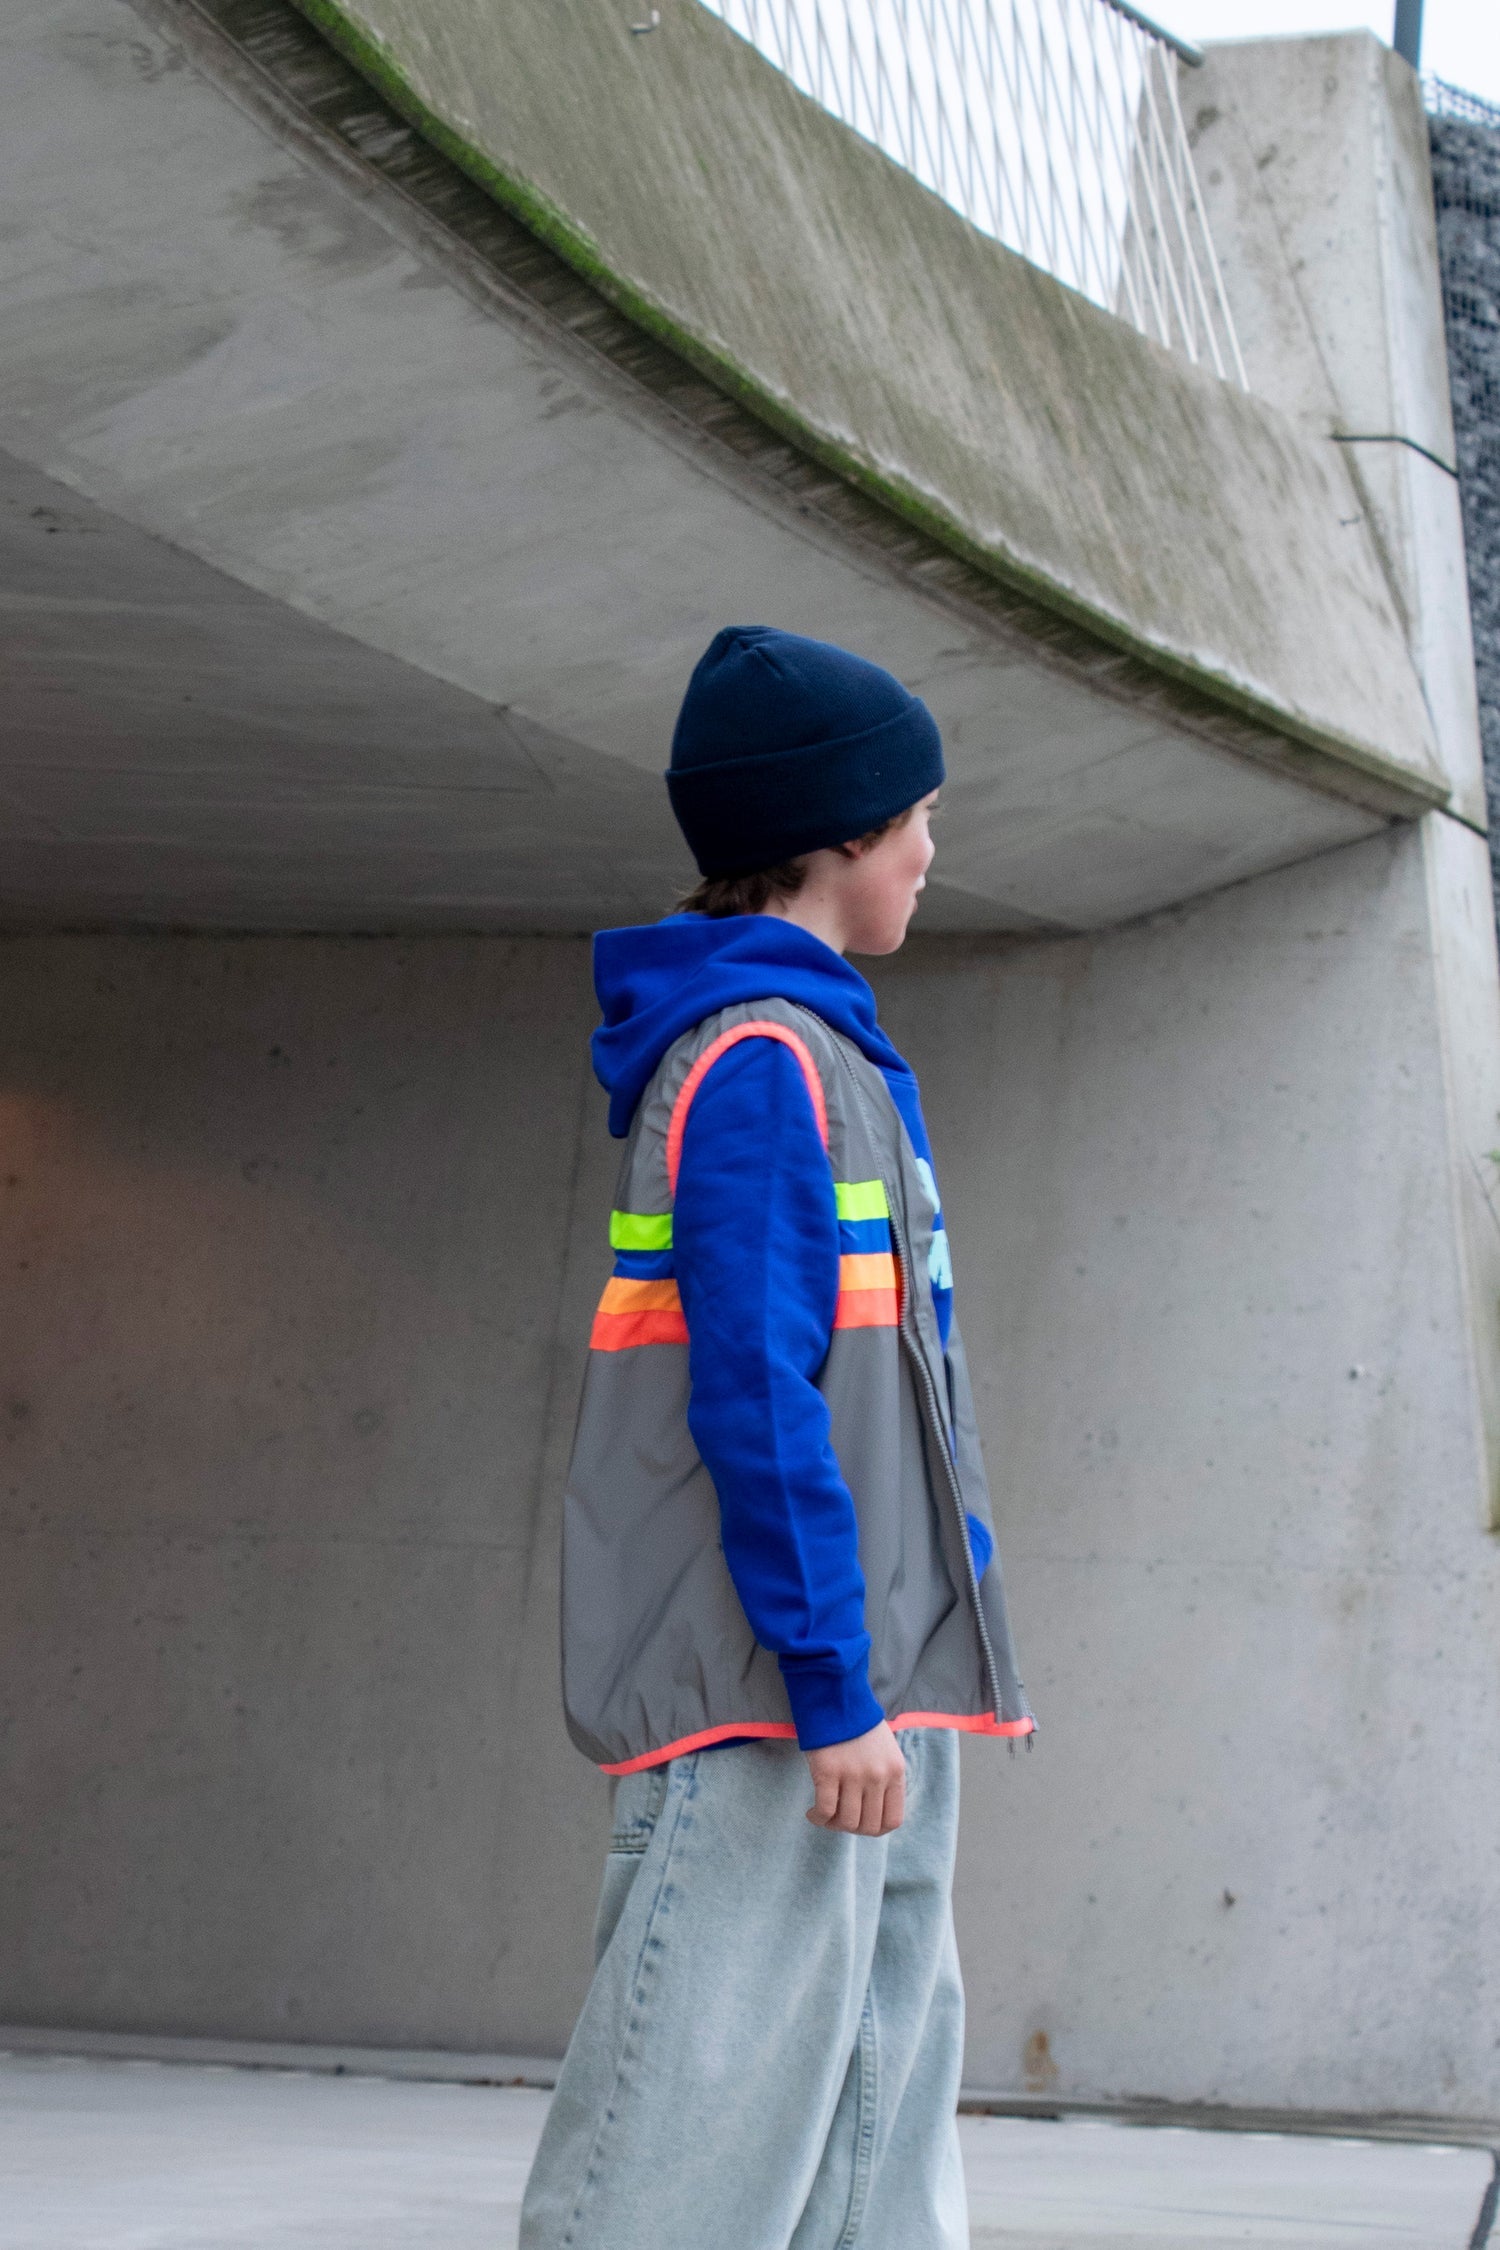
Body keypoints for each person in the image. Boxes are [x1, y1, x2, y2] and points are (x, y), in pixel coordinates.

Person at [519, 625, 1032, 2250]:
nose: (933, 852)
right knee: (679, 2162)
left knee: (878, 2156)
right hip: (782, 1702)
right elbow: (755, 1397)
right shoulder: (756, 1063)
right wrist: (832, 1688)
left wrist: (891, 1681)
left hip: (871, 1697)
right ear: (839, 836)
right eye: (918, 819)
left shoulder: (830, 1051)